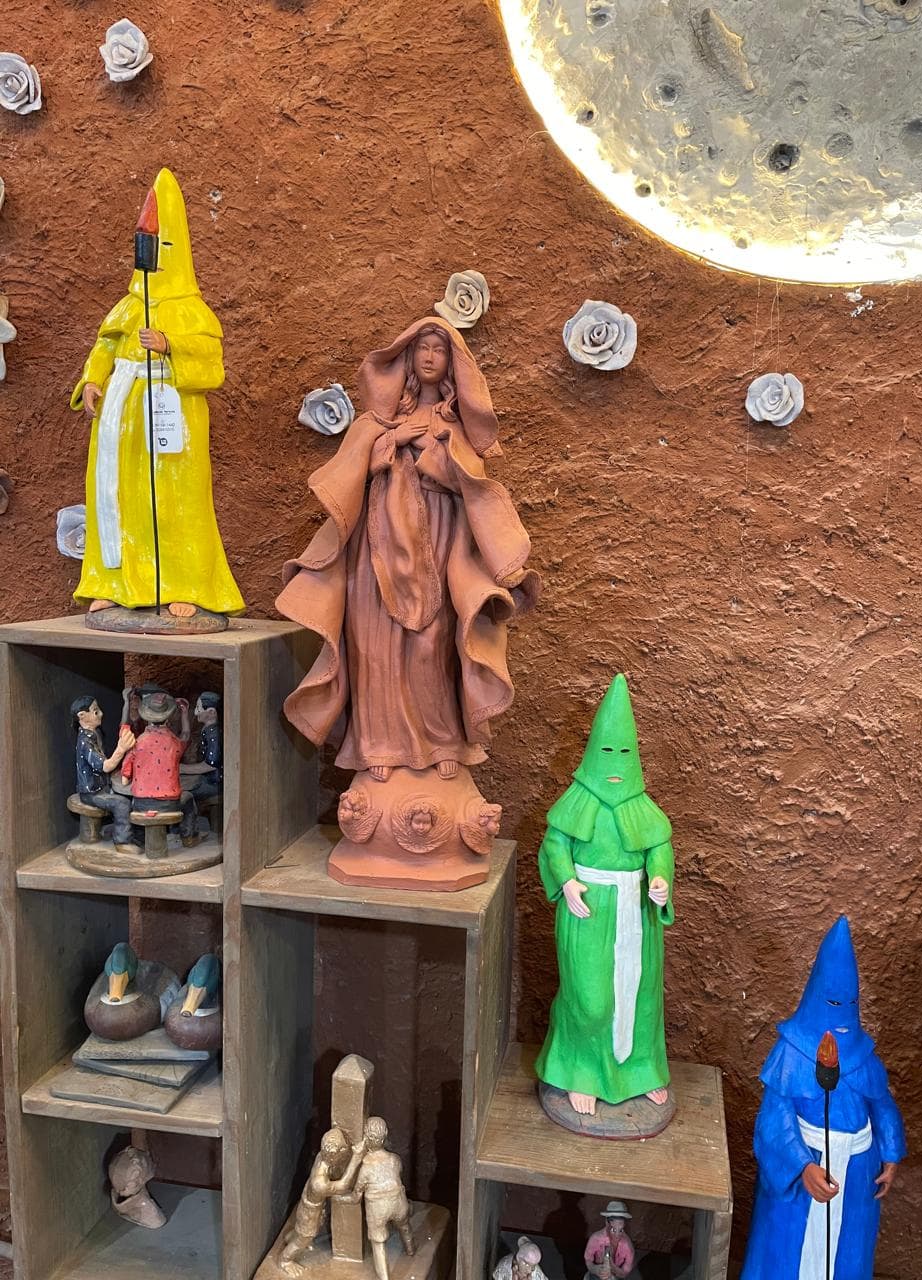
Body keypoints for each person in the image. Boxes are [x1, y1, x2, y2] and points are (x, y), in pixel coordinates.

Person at [277, 317, 539, 779]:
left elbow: (466, 480)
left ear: (451, 362)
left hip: (438, 541)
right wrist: (394, 440)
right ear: (409, 357)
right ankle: (377, 746)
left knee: (431, 646)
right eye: (423, 348)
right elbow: (354, 471)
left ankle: (443, 743)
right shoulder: (379, 421)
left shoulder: (453, 425)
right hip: (376, 546)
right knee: (373, 644)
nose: (430, 356)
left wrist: (433, 454)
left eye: (439, 349)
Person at [70, 167, 243, 620]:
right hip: (123, 419)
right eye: (147, 247)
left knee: (177, 500)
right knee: (117, 496)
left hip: (171, 416)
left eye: (163, 247)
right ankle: (114, 581)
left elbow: (212, 365)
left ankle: (184, 582)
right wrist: (93, 380)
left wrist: (171, 345)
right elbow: (106, 345)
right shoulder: (128, 306)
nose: (154, 259)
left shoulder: (193, 310)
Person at [536, 675, 674, 1115]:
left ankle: (640, 1070)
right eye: (608, 751)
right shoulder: (577, 801)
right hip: (589, 912)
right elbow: (555, 843)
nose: (615, 763)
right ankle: (582, 1070)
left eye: (624, 753)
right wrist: (567, 880)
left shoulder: (644, 808)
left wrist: (659, 880)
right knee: (590, 997)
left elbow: (659, 848)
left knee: (640, 995)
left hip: (636, 911)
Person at [740, 916, 906, 1280]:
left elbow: (882, 1105)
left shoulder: (864, 1055)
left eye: (850, 1002)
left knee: (849, 1249)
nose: (842, 1012)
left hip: (858, 1174)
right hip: (808, 1167)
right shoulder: (790, 1053)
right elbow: (776, 1119)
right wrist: (802, 1165)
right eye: (833, 1001)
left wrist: (892, 1154)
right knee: (787, 1248)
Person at [279, 1127, 365, 1278]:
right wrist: (356, 1158)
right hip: (310, 1212)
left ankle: (290, 1238)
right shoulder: (319, 1183)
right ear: (333, 1157)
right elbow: (343, 1186)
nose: (346, 1150)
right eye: (343, 1150)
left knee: (303, 1230)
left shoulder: (322, 1156)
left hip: (312, 1205)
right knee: (305, 1236)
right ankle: (285, 1260)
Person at [335, 1116, 414, 1280]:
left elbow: (356, 1197)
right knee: (404, 1225)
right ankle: (410, 1249)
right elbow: (398, 1175)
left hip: (378, 1210)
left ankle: (385, 1278)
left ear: (366, 1138)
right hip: (399, 1203)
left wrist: (340, 1199)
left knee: (378, 1243)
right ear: (385, 1134)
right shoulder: (395, 1160)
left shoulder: (366, 1168)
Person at [120, 690, 200, 844]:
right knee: (188, 798)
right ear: (167, 718)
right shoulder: (174, 742)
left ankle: (139, 840)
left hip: (141, 803)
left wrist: (126, 702)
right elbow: (185, 735)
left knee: (130, 803)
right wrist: (184, 713)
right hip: (169, 803)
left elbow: (124, 778)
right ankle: (189, 837)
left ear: (146, 716)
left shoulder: (138, 742)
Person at [70, 695, 136, 852]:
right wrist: (121, 749)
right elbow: (105, 766)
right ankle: (122, 843)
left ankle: (125, 831)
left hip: (102, 785)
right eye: (95, 711)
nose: (101, 713)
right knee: (122, 803)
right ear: (82, 716)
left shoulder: (95, 733)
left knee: (129, 795)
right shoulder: (85, 742)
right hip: (92, 792)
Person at [180, 691, 222, 801]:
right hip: (204, 778)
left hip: (212, 782)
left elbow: (211, 765)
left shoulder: (213, 734)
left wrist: (182, 768)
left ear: (211, 712)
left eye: (199, 708)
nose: (195, 712)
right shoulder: (207, 730)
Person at [584, 1203, 635, 1280]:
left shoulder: (628, 1246)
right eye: (613, 1229)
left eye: (620, 1230)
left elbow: (625, 1272)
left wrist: (614, 1269)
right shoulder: (595, 1239)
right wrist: (595, 1269)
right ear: (607, 1222)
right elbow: (588, 1259)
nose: (617, 1236)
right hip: (597, 1273)